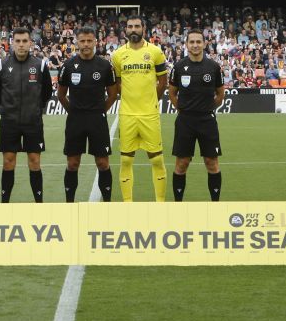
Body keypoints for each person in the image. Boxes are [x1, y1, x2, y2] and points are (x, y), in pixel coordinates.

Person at [0, 27, 52, 203]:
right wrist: (8, 107)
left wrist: (35, 108)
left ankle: (39, 203)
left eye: (25, 41)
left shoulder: (40, 65)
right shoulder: (1, 65)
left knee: (34, 162)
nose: (21, 44)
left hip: (33, 122)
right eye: (17, 41)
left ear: (30, 43)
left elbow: (46, 92)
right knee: (8, 162)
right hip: (9, 122)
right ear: (12, 43)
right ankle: (5, 204)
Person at [56, 26, 118, 202]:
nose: (86, 44)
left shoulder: (105, 65)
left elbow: (113, 95)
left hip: (97, 120)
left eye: (89, 41)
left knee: (103, 163)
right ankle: (70, 203)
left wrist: (99, 112)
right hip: (75, 120)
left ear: (95, 42)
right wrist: (74, 112)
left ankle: (107, 203)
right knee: (73, 163)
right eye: (82, 41)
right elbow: (61, 95)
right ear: (77, 42)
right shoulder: (68, 66)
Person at [111, 17, 168, 202]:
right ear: (125, 30)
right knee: (126, 160)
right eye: (130, 27)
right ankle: (128, 204)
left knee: (157, 160)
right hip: (127, 114)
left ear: (143, 28)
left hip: (149, 115)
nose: (133, 30)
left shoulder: (156, 52)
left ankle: (160, 203)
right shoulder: (117, 55)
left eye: (137, 26)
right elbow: (117, 83)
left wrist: (152, 101)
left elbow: (163, 82)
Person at [168, 30, 226, 202]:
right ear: (186, 44)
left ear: (204, 44)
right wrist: (184, 109)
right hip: (185, 121)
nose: (195, 45)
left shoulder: (213, 67)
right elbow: (172, 94)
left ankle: (215, 203)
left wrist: (207, 109)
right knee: (182, 164)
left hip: (207, 121)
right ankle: (178, 204)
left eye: (198, 42)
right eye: (191, 42)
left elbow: (220, 95)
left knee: (212, 163)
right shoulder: (178, 67)